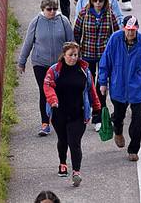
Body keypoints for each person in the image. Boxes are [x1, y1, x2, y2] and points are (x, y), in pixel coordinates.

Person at [43, 41, 102, 185]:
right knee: (63, 140)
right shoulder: (55, 70)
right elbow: (47, 86)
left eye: (76, 55)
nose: (74, 58)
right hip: (59, 113)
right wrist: (53, 100)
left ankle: (76, 172)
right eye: (70, 55)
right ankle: (63, 163)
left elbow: (91, 89)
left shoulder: (84, 70)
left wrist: (96, 106)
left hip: (79, 113)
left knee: (74, 142)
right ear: (64, 55)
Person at [97, 15, 141, 161]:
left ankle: (133, 148)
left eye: (133, 30)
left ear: (137, 29)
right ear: (123, 28)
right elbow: (105, 62)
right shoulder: (115, 39)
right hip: (118, 86)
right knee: (118, 116)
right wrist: (103, 82)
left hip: (136, 87)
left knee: (138, 119)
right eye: (128, 30)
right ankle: (118, 130)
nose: (130, 33)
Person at [18, 0, 75, 137]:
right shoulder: (36, 22)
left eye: (55, 9)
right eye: (49, 9)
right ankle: (45, 123)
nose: (52, 12)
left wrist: (74, 61)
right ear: (43, 9)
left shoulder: (63, 21)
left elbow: (71, 43)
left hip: (60, 64)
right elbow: (28, 43)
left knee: (61, 91)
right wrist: (22, 62)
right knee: (45, 92)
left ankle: (61, 118)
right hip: (40, 63)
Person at [73, 0, 122, 128]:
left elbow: (116, 34)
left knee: (101, 84)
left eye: (101, 0)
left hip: (104, 55)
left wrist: (114, 52)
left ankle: (99, 115)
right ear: (91, 0)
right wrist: (78, 51)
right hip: (87, 54)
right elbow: (76, 33)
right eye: (95, 0)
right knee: (89, 83)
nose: (98, 3)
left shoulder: (109, 14)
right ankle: (91, 110)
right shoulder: (84, 13)